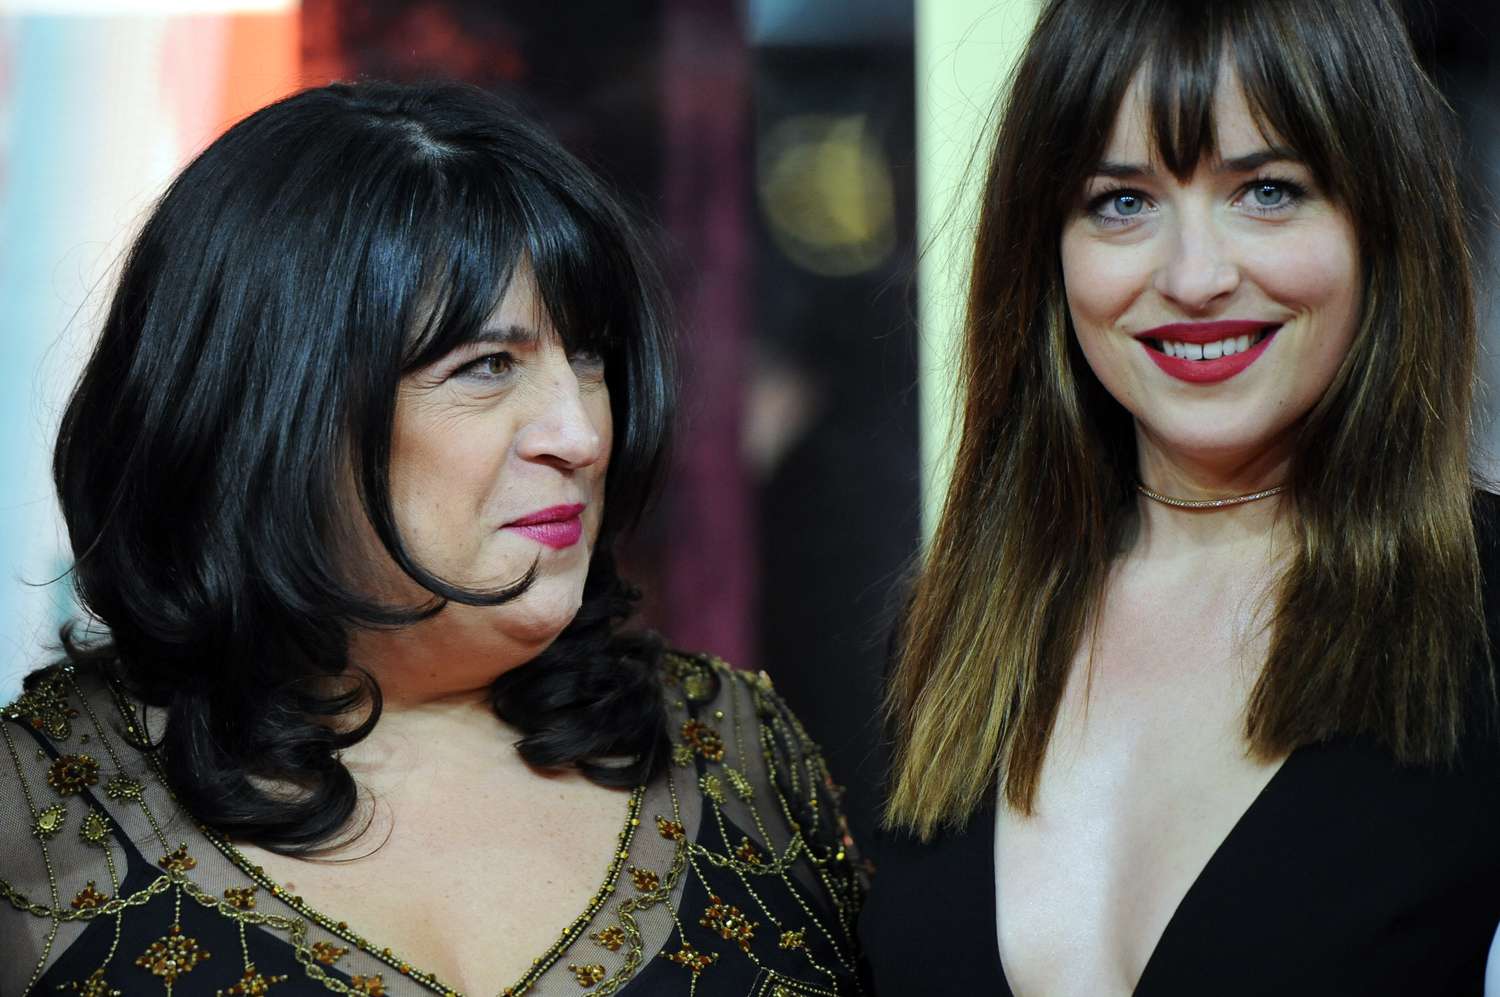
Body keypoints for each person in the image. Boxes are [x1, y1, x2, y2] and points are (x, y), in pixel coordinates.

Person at [1, 80, 864, 997]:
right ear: (268, 417)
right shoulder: (40, 809)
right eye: (486, 367)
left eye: (589, 355)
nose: (579, 434)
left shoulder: (738, 752)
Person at [860, 0, 1500, 993]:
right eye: (1123, 202)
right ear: (1047, 252)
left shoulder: (1485, 613)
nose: (1195, 276)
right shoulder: (954, 632)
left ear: (1381, 225)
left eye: (1270, 192)